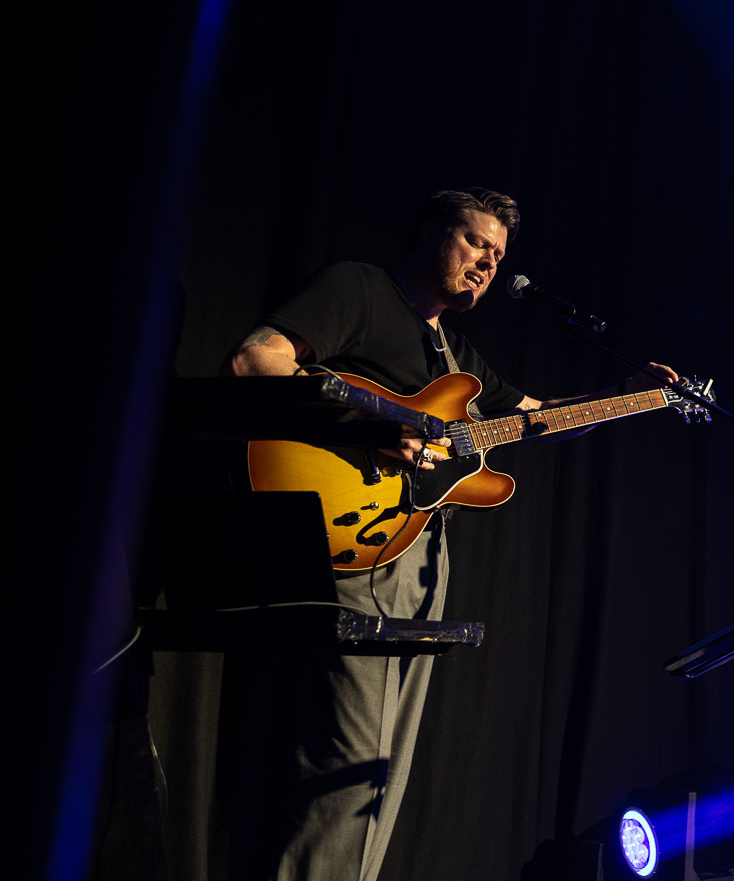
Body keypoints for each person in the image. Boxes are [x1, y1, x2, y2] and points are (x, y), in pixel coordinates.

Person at [228, 187, 677, 881]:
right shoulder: (361, 289)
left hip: (416, 552)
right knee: (350, 767)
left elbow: (537, 417)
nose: (488, 264)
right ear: (432, 232)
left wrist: (630, 396)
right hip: (355, 540)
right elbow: (257, 361)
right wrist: (372, 425)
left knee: (379, 774)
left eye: (498, 256)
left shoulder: (456, 356)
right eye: (475, 243)